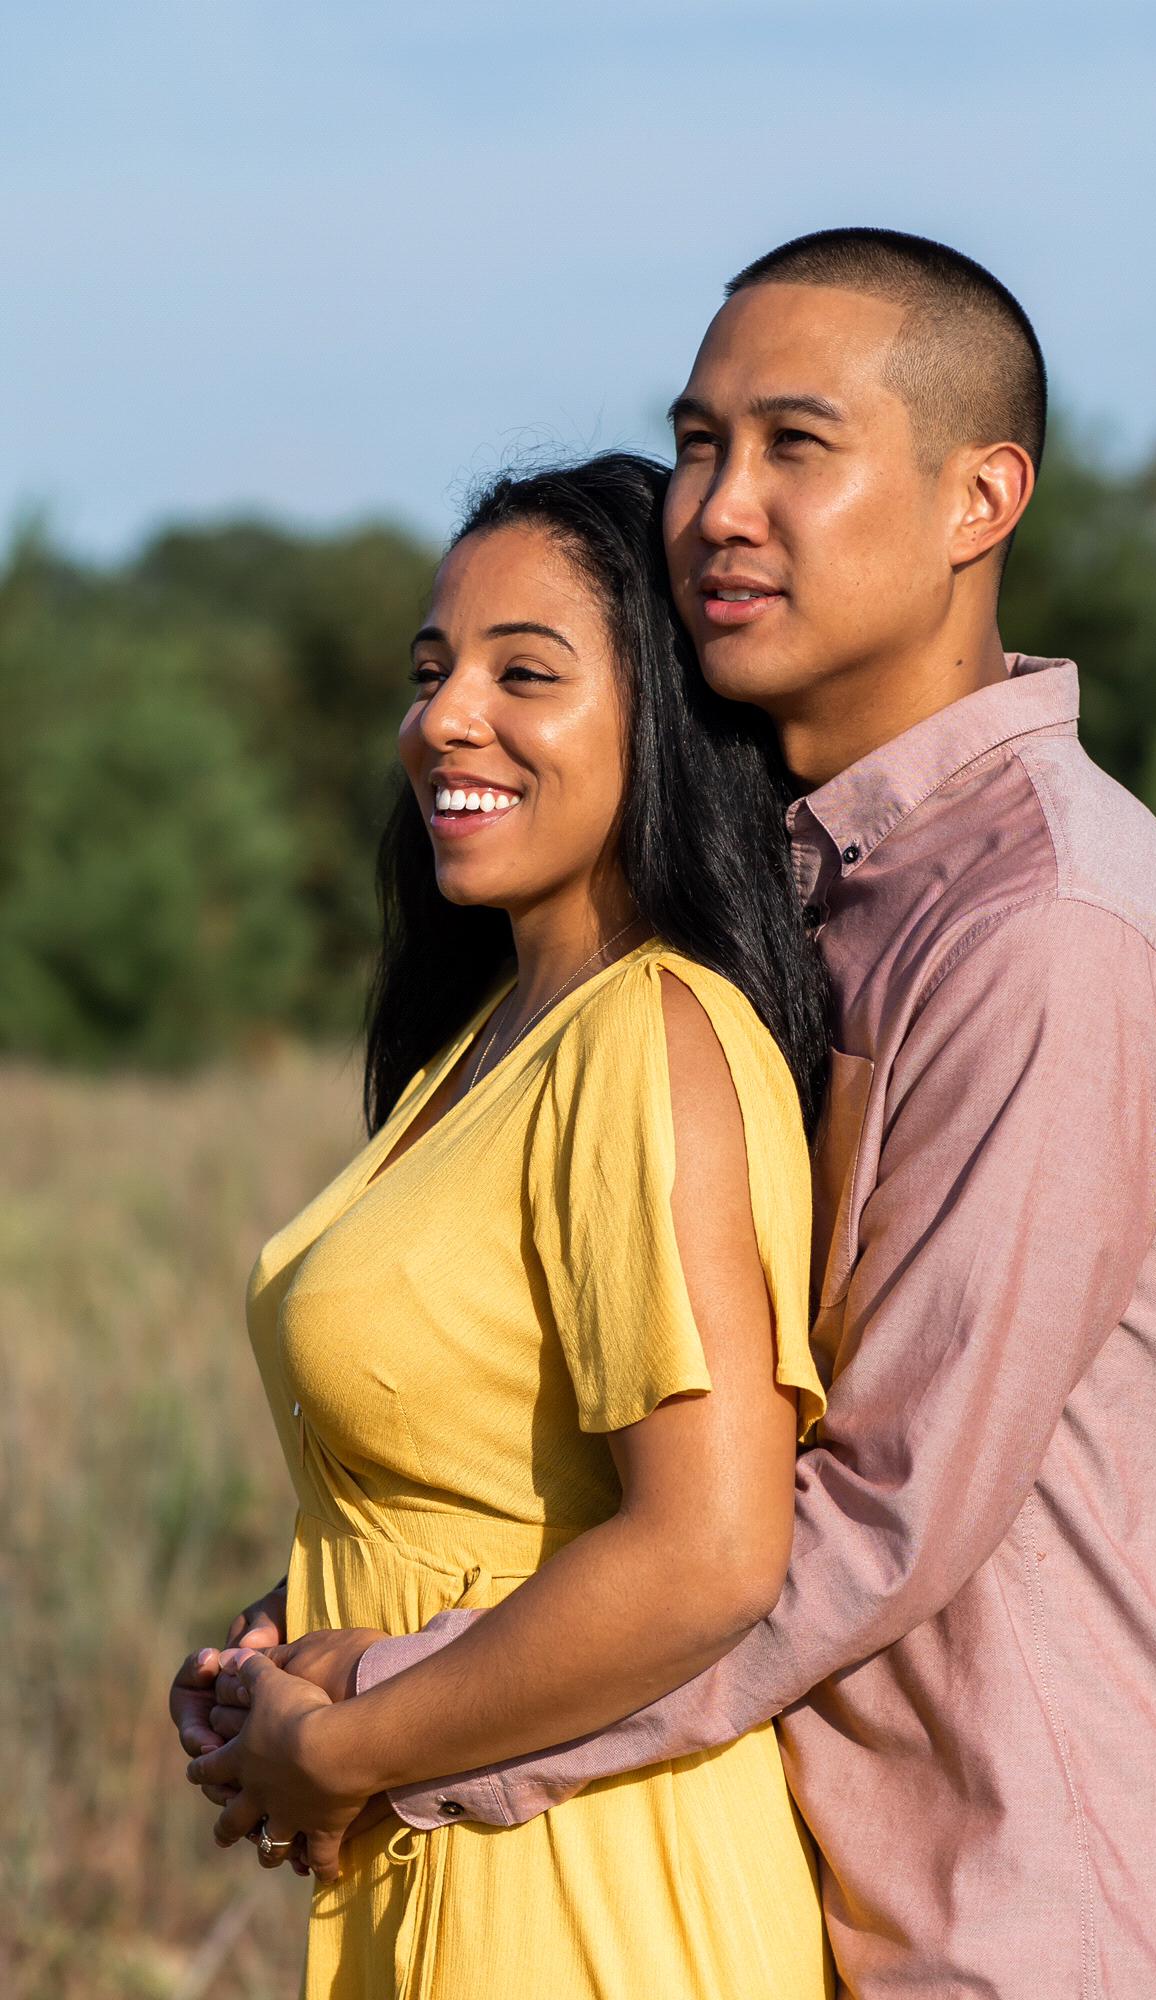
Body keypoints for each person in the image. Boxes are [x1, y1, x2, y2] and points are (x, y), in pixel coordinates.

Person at [183, 229, 1156, 1998]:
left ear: (978, 498)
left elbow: (860, 1521)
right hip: (788, 1876)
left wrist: (387, 1719)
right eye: (698, 444)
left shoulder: (1047, 932)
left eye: (795, 445)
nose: (718, 508)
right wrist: (324, 1630)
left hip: (1023, 1910)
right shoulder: (783, 897)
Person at [173, 452, 835, 1998]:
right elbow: (481, 1483)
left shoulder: (650, 1036)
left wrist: (343, 1747)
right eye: (429, 673)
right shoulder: (489, 1038)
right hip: (452, 1843)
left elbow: (707, 1554)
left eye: (522, 673)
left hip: (583, 1892)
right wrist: (283, 1644)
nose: (443, 719)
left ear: (660, 719)